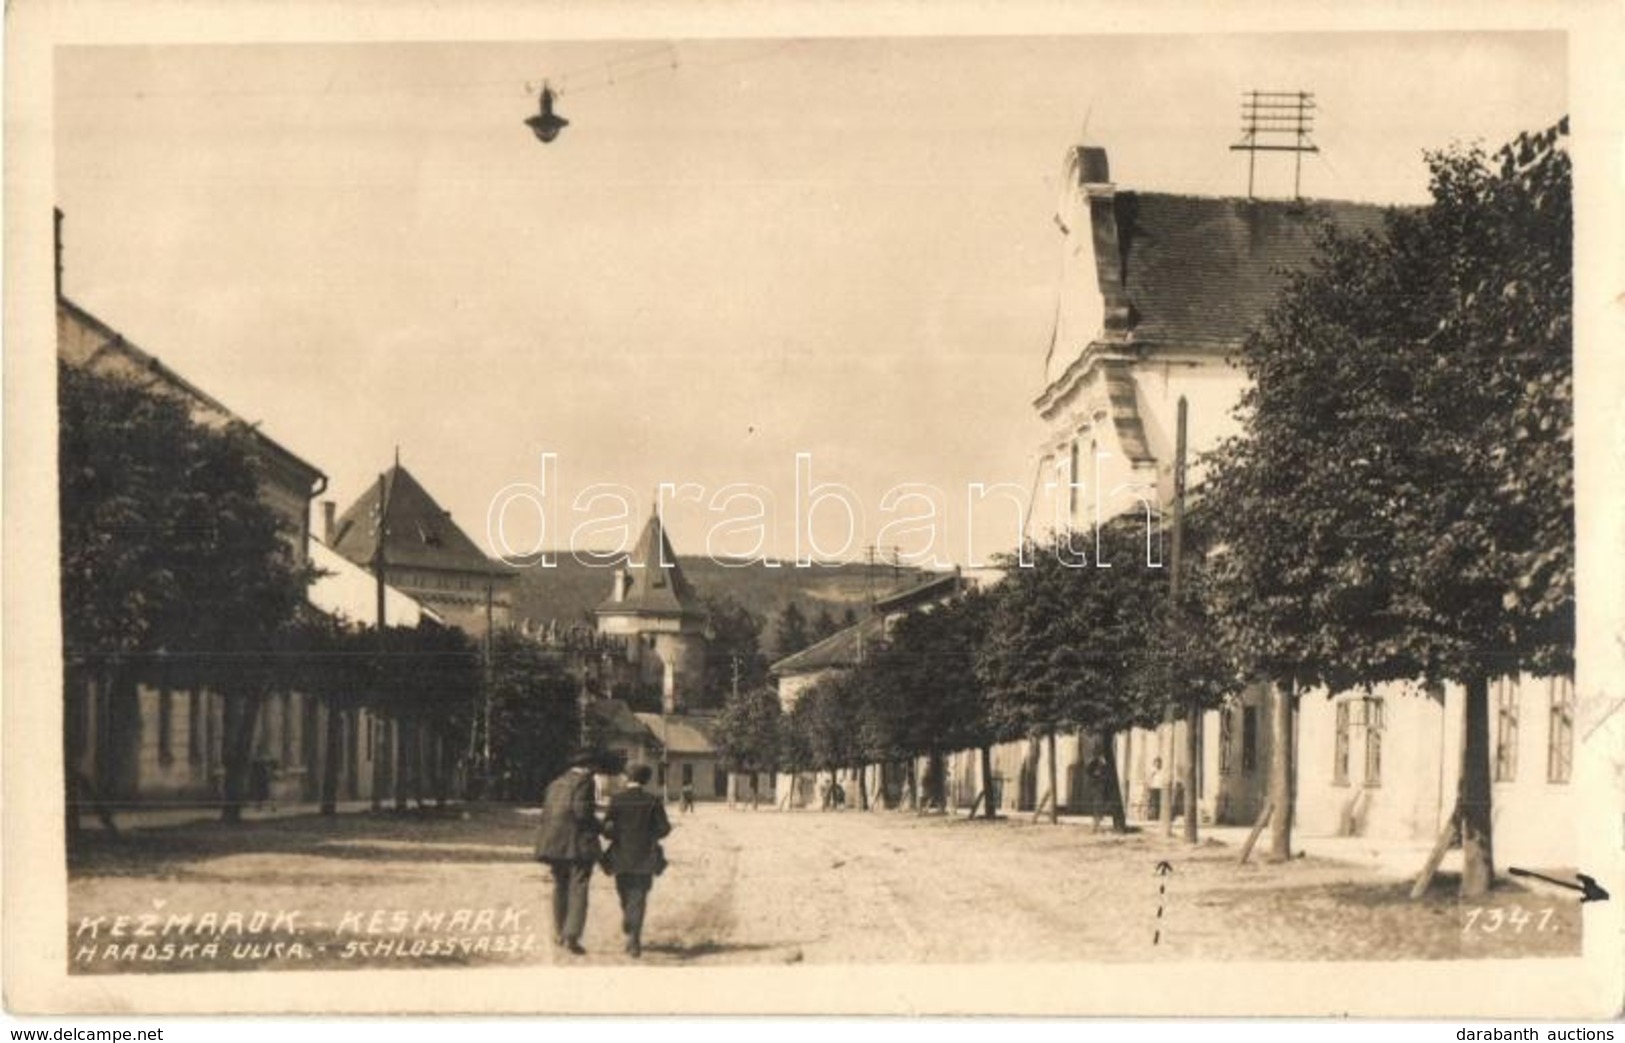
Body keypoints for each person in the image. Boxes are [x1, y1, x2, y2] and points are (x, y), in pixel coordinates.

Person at [534, 750, 602, 955]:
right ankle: (571, 936)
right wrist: (601, 827)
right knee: (579, 885)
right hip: (577, 843)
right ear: (588, 766)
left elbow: (547, 813)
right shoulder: (585, 782)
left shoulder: (555, 783)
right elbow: (582, 813)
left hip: (553, 843)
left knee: (560, 886)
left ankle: (558, 933)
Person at [602, 764, 672, 958]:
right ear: (645, 780)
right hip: (645, 855)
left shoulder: (617, 800)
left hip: (621, 855)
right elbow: (665, 828)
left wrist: (616, 834)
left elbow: (607, 829)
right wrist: (650, 835)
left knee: (624, 893)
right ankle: (633, 934)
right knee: (639, 897)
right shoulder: (652, 801)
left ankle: (630, 926)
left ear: (627, 778)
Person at [1146, 756, 1167, 822]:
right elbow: (1149, 779)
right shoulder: (1152, 770)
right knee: (1153, 803)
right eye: (1156, 763)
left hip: (1160, 788)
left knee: (1159, 803)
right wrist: (1148, 786)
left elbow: (1163, 779)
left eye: (1159, 763)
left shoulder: (1162, 771)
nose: (1157, 764)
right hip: (1153, 788)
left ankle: (1158, 817)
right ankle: (1152, 817)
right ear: (1154, 763)